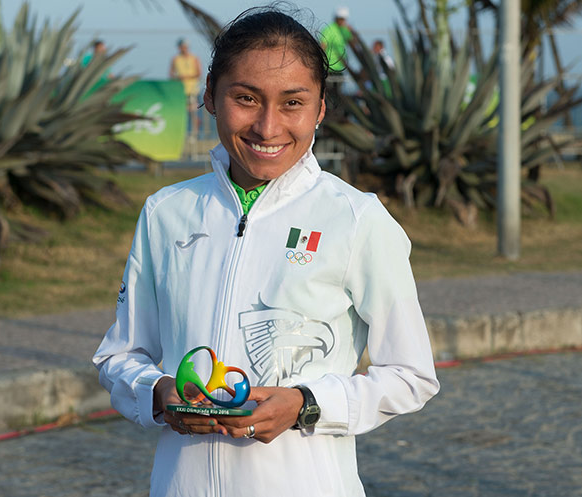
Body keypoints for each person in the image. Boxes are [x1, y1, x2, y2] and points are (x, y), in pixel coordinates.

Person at [93, 7, 439, 497]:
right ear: (211, 94)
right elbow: (121, 354)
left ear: (320, 108)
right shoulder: (165, 212)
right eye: (246, 98)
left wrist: (306, 404)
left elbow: (410, 375)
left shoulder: (357, 218)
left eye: (293, 102)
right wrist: (158, 394)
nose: (267, 126)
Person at [170, 38, 202, 135]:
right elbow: (171, 74)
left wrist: (186, 77)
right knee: (182, 114)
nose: (183, 49)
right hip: (180, 91)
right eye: (181, 47)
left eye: (184, 46)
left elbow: (198, 73)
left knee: (194, 113)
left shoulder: (194, 58)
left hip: (192, 90)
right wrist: (178, 78)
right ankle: (183, 135)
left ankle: (195, 135)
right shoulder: (175, 59)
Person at [319, 6, 353, 93]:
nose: (342, 21)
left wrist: (352, 31)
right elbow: (323, 46)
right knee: (329, 94)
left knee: (338, 94)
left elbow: (353, 42)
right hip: (329, 68)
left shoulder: (345, 30)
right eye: (341, 18)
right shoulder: (329, 29)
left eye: (344, 19)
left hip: (340, 68)